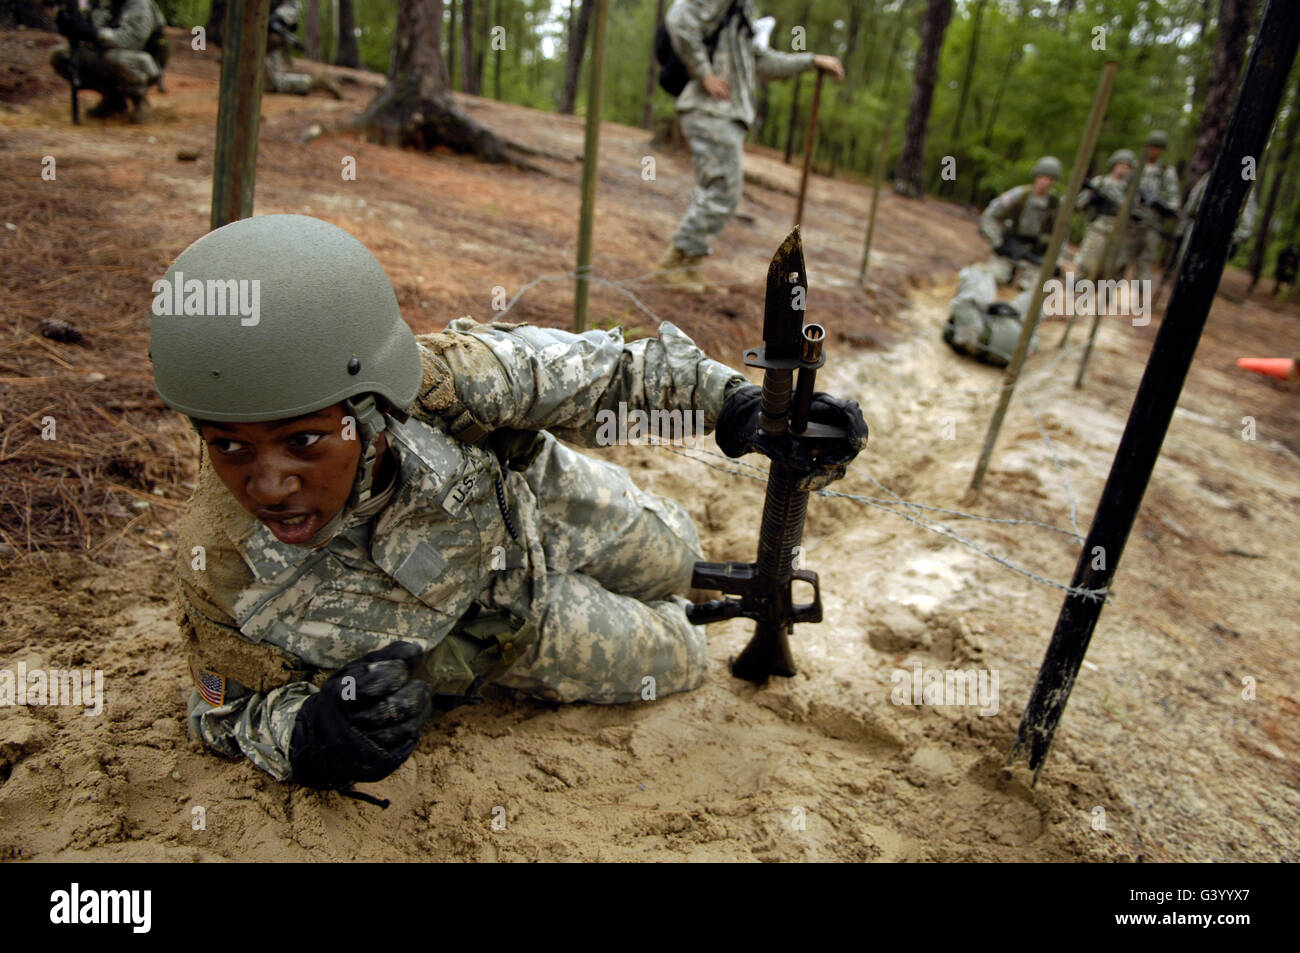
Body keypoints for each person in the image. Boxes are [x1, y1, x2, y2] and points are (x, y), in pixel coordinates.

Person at [150, 214, 868, 793]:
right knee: (680, 655)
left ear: (370, 410)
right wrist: (307, 735)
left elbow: (601, 375)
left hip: (551, 504)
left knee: (675, 552)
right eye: (229, 447)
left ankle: (708, 586)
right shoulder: (224, 567)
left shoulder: (443, 384)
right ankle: (702, 616)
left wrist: (735, 404)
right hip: (508, 635)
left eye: (303, 439)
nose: (268, 483)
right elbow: (225, 710)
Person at [650, 0, 844, 293]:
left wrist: (811, 60)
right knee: (724, 187)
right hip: (711, 110)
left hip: (726, 114)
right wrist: (704, 73)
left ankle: (687, 266)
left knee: (718, 188)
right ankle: (673, 264)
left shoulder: (742, 16)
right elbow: (679, 16)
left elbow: (765, 62)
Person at [48, 0, 167, 123]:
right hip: (110, 51)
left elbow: (130, 41)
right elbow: (89, 25)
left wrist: (93, 34)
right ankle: (113, 98)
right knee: (61, 55)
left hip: (144, 60)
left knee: (118, 60)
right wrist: (69, 22)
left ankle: (139, 99)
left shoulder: (140, 3)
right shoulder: (103, 2)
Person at [978, 156, 1063, 287]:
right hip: (1010, 246)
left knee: (1034, 288)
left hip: (1035, 253)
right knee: (993, 277)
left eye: (1049, 179)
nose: (1045, 182)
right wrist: (998, 242)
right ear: (1036, 176)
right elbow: (989, 215)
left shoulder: (1055, 204)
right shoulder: (1019, 195)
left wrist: (1056, 260)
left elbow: (1062, 234)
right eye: (1042, 177)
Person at [1127, 130, 1182, 284]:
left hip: (1153, 223)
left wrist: (1162, 207)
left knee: (1145, 261)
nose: (1154, 151)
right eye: (1151, 147)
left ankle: (1138, 301)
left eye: (1158, 148)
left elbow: (1173, 200)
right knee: (1121, 258)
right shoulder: (1134, 167)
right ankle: (1106, 295)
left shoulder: (1166, 172)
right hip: (1130, 222)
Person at [1073, 149, 1135, 279]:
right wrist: (1091, 199)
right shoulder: (1099, 182)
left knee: (1111, 265)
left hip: (1118, 228)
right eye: (1121, 164)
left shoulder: (1130, 189)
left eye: (1127, 166)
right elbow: (1080, 202)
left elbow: (1134, 211)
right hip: (1098, 224)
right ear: (1113, 165)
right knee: (1087, 260)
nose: (1123, 169)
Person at [264, 1, 342, 98]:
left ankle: (314, 81)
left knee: (273, 85)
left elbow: (291, 11)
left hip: (269, 35)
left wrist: (277, 18)